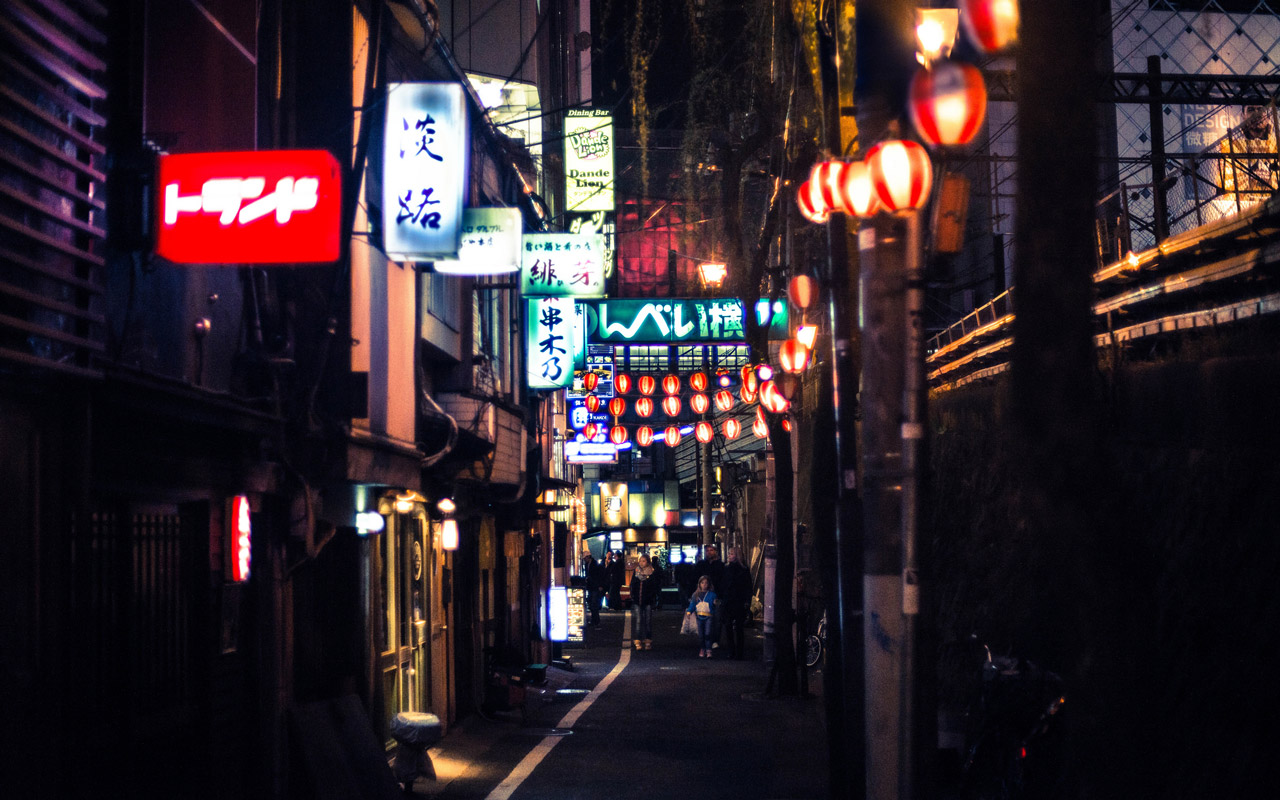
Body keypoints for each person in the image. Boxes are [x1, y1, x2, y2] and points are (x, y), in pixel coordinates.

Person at [721, 546, 753, 659]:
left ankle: (737, 651)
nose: (729, 556)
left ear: (737, 555)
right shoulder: (727, 569)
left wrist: (747, 601)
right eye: (729, 554)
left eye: (731, 554)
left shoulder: (743, 570)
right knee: (729, 626)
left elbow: (748, 586)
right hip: (730, 600)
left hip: (738, 600)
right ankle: (732, 650)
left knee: (738, 627)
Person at [692, 545, 726, 648]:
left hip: (717, 595)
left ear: (715, 552)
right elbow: (695, 578)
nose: (709, 552)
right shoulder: (701, 565)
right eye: (707, 551)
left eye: (711, 550)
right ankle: (706, 639)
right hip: (703, 595)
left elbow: (724, 581)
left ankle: (715, 640)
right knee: (704, 617)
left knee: (717, 618)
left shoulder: (720, 565)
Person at [629, 553, 662, 650]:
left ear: (648, 562)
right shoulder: (636, 572)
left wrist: (653, 597)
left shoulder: (652, 572)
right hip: (637, 600)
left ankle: (648, 640)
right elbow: (632, 585)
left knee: (648, 621)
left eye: (643, 561)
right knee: (638, 621)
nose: (641, 563)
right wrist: (633, 595)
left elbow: (655, 586)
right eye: (640, 561)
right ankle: (638, 640)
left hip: (648, 600)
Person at [687, 576, 717, 658]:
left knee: (707, 633)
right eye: (702, 583)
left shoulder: (712, 595)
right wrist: (689, 611)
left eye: (706, 583)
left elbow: (715, 605)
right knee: (701, 635)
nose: (704, 585)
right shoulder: (696, 595)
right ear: (699, 584)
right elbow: (692, 604)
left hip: (709, 616)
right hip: (699, 616)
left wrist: (715, 604)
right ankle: (702, 648)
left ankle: (708, 649)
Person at [584, 554, 606, 626]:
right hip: (591, 586)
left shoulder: (595, 564)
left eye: (585, 558)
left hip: (595, 586)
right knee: (592, 603)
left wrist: (600, 585)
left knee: (594, 603)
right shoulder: (587, 564)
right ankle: (595, 620)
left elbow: (600, 575)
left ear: (588, 557)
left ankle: (595, 620)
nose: (584, 559)